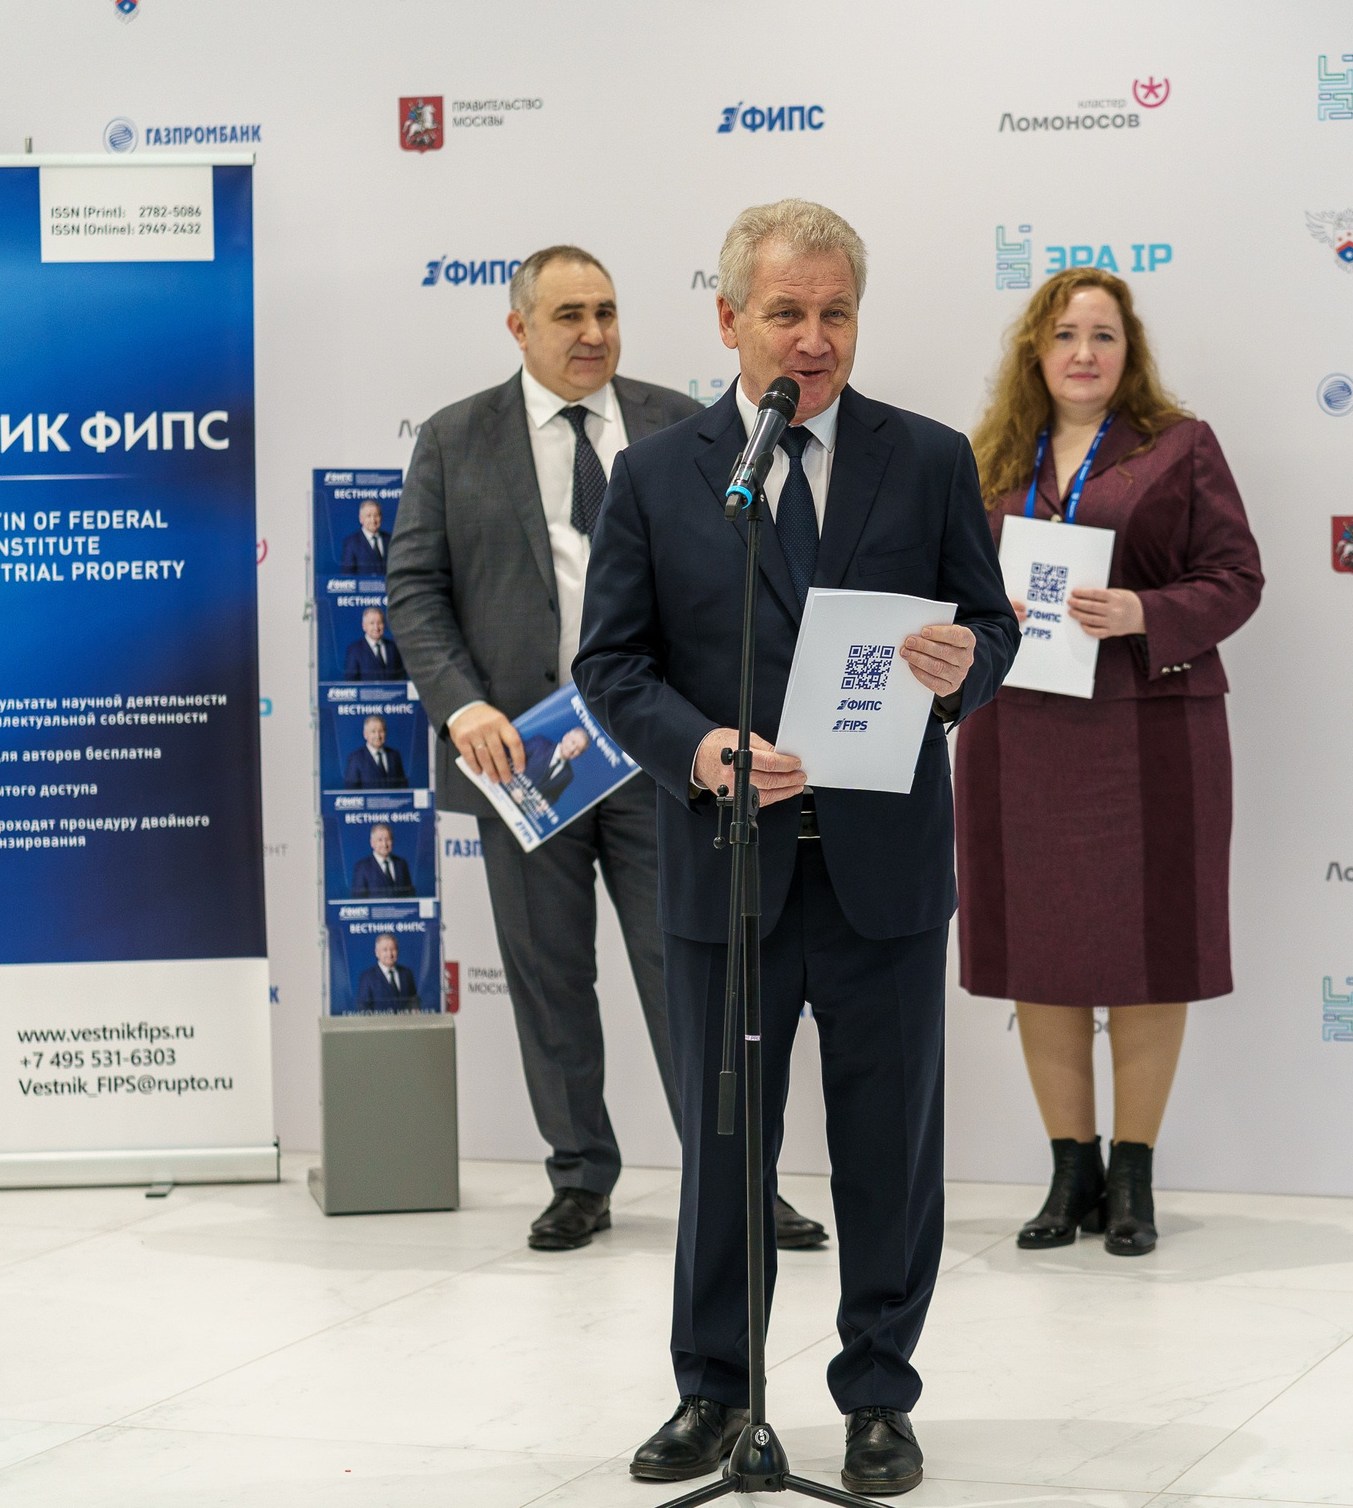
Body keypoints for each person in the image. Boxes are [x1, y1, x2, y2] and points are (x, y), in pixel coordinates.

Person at [575, 199, 1019, 1496]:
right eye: (786, 313)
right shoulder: (661, 475)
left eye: (836, 313)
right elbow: (611, 666)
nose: (813, 339)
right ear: (729, 320)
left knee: (889, 1155)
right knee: (724, 1152)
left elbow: (990, 629)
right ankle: (715, 1392)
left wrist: (964, 668)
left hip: (885, 873)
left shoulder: (926, 458)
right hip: (730, 872)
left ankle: (879, 1397)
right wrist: (703, 750)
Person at [388, 246, 828, 1255]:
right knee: (548, 978)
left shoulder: (685, 423)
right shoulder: (454, 438)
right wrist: (462, 708)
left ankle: (739, 1185)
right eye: (569, 315)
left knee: (693, 977)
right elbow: (413, 590)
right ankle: (580, 1175)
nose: (593, 333)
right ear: (518, 328)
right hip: (524, 759)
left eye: (607, 311)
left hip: (661, 750)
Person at [954, 266, 1262, 1258]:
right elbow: (944, 581)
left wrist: (1143, 610)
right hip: (1018, 730)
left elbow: (1238, 578)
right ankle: (1069, 1170)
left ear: (1130, 354)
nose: (1083, 352)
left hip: (1149, 730)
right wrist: (978, 613)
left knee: (1147, 952)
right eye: (1064, 335)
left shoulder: (1180, 447)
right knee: (1039, 951)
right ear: (1033, 353)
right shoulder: (988, 457)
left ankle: (1133, 1175)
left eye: (1103, 336)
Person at [509, 725, 590, 814]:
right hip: (503, 792)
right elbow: (511, 758)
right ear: (566, 737)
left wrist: (546, 803)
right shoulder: (539, 743)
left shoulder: (568, 775)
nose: (572, 749)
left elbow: (554, 796)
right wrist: (513, 786)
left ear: (579, 755)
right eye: (573, 742)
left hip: (521, 812)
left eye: (578, 749)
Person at [355, 932, 420, 1012]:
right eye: (385, 950)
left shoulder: (407, 973)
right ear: (377, 953)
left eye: (393, 949)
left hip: (406, 1020)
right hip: (380, 1020)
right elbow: (363, 1007)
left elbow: (414, 1001)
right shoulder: (367, 977)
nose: (389, 954)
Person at [342, 714, 409, 789]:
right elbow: (351, 790)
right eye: (373, 731)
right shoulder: (355, 759)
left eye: (381, 731)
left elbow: (403, 786)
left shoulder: (394, 755)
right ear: (365, 734)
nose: (378, 736)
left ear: (385, 732)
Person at [342, 606, 406, 681]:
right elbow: (351, 681)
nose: (376, 627)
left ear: (384, 625)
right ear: (364, 626)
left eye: (379, 623)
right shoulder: (354, 650)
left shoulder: (394, 647)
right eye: (372, 623)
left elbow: (401, 677)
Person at [351, 822, 414, 898]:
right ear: (372, 843)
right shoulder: (362, 867)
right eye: (380, 840)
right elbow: (358, 898)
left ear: (392, 841)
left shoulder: (401, 864)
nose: (384, 844)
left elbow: (410, 894)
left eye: (387, 839)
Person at [339, 498, 390, 574]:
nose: (373, 520)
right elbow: (347, 575)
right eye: (368, 516)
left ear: (381, 517)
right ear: (361, 519)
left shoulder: (390, 539)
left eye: (376, 515)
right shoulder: (351, 543)